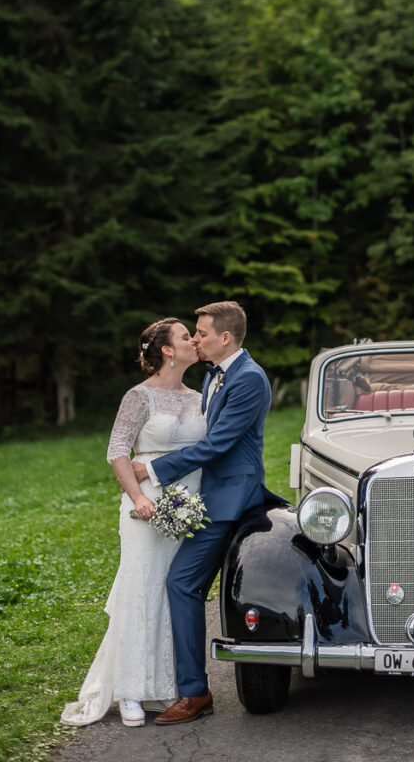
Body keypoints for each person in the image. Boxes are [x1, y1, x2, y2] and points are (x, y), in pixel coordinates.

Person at [132, 300, 282, 726]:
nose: (195, 339)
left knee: (181, 583)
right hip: (210, 494)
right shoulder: (215, 374)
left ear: (226, 337)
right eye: (193, 333)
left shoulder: (249, 379)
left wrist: (154, 468)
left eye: (201, 332)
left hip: (230, 501)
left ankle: (195, 693)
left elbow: (218, 446)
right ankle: (190, 688)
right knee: (182, 583)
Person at [61, 318, 206, 728]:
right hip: (147, 509)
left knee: (171, 593)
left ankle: (163, 686)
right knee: (140, 591)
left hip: (188, 509)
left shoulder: (199, 397)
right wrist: (139, 497)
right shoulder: (139, 397)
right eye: (185, 337)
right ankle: (128, 691)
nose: (193, 341)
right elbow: (117, 451)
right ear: (167, 350)